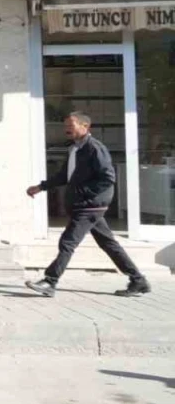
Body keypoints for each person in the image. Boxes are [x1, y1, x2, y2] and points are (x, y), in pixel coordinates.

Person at [25, 112, 150, 298]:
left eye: (71, 125)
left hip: (90, 206)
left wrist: (84, 193)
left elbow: (108, 178)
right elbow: (64, 176)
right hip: (86, 205)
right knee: (108, 244)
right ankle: (138, 281)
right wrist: (41, 187)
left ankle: (50, 281)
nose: (67, 129)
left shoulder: (94, 148)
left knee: (68, 242)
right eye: (66, 125)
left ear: (85, 126)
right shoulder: (75, 149)